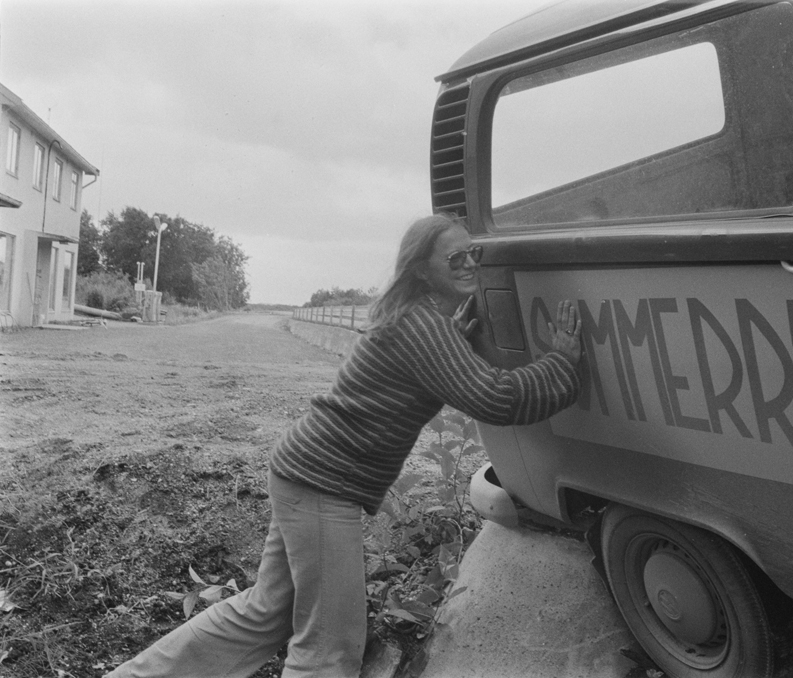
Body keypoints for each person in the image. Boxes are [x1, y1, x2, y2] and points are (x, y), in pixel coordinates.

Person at [106, 213, 584, 678]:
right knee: (328, 650)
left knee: (266, 614)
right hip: (322, 484)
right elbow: (493, 398)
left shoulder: (418, 320)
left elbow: (421, 374)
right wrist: (561, 363)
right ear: (421, 270)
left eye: (472, 254)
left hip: (303, 472)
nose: (468, 265)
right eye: (454, 257)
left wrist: (458, 336)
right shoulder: (423, 326)